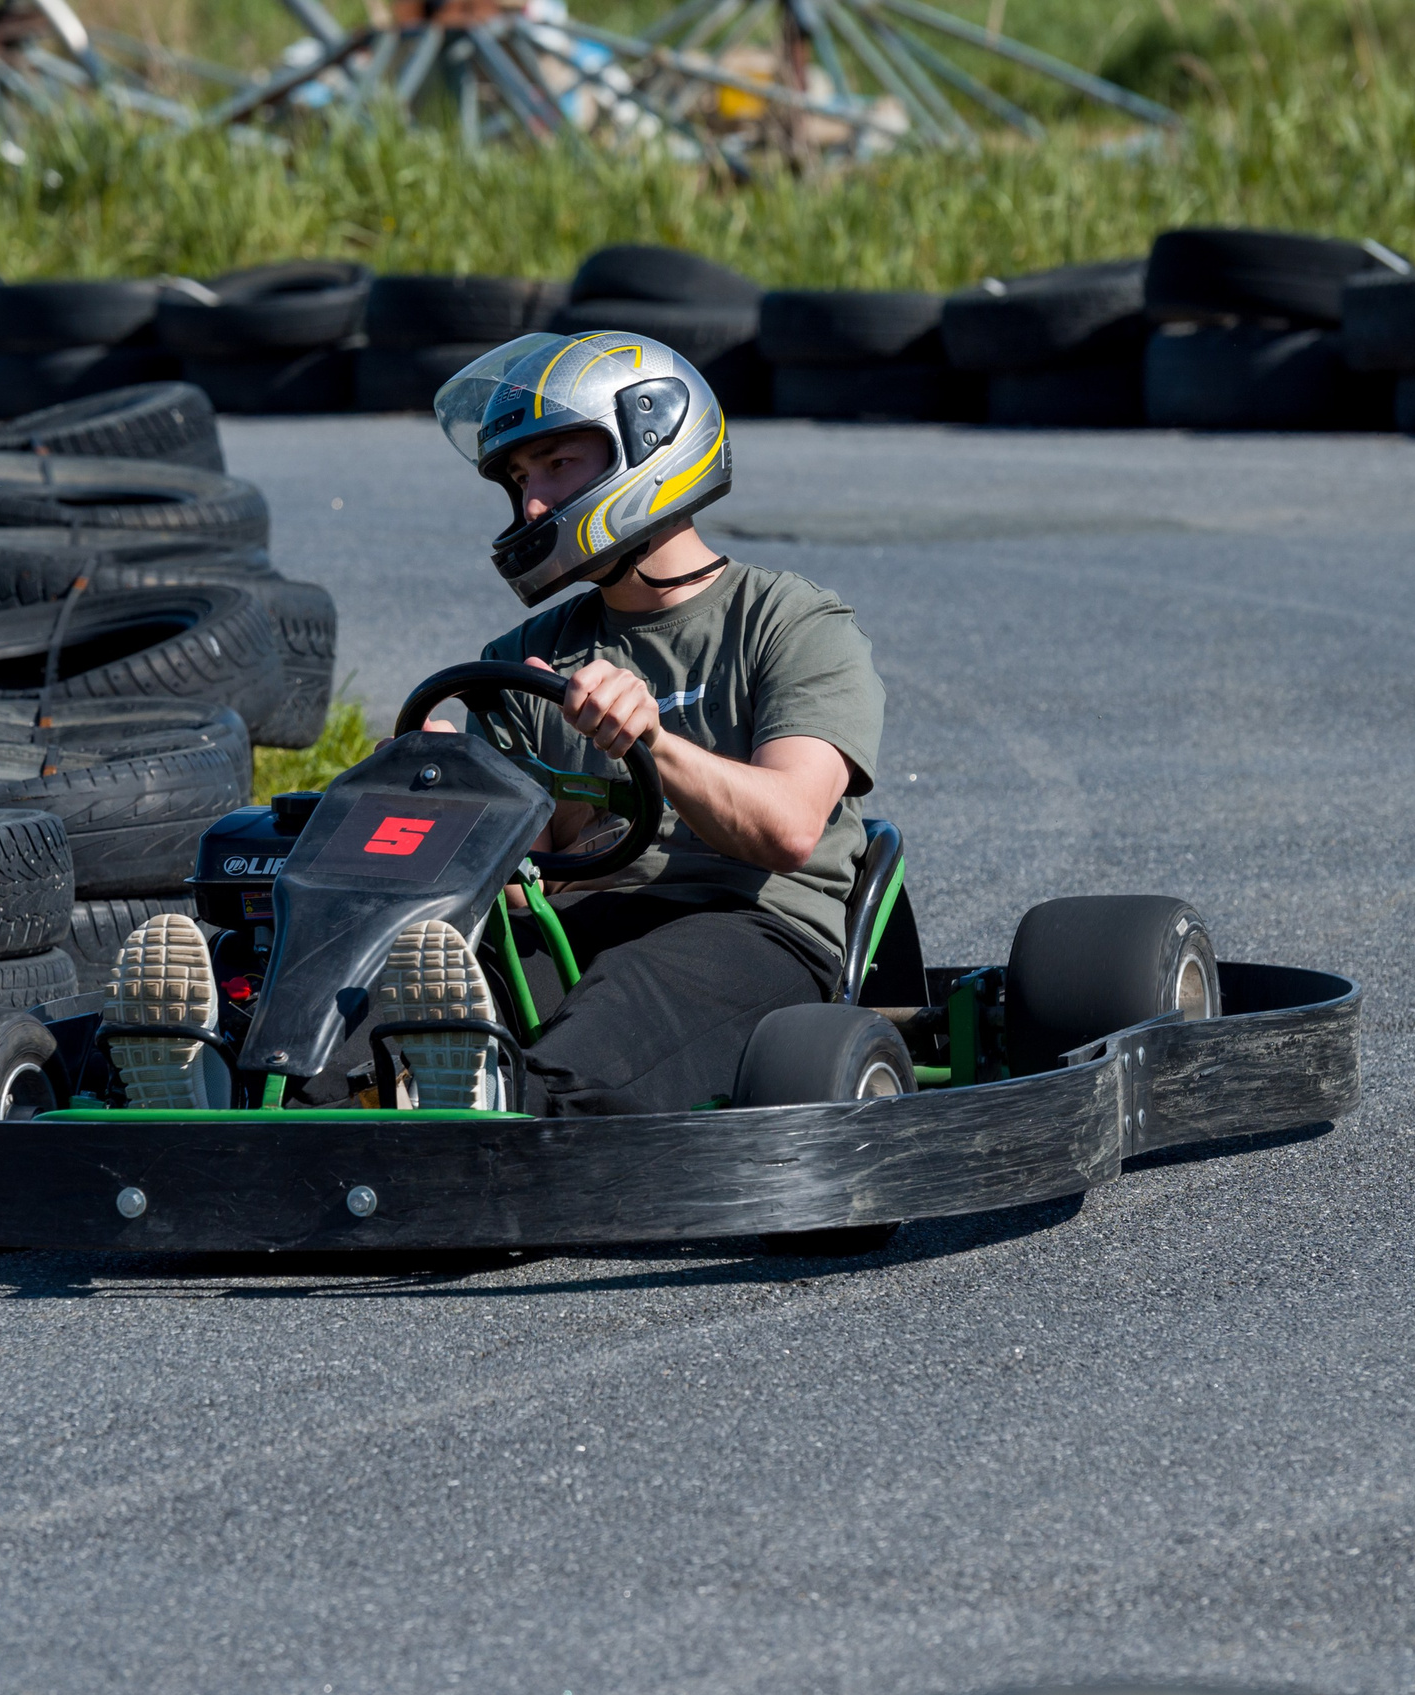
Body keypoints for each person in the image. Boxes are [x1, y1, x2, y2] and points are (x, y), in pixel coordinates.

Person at [101, 329, 884, 1115]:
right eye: (518, 479)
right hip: (573, 921)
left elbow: (789, 828)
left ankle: (497, 1104)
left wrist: (652, 741)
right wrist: (440, 801)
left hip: (745, 926)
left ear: (650, 443)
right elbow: (517, 885)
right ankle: (238, 1092)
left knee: (618, 1011)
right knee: (400, 974)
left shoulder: (791, 622)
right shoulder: (526, 657)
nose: (534, 501)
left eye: (556, 464)